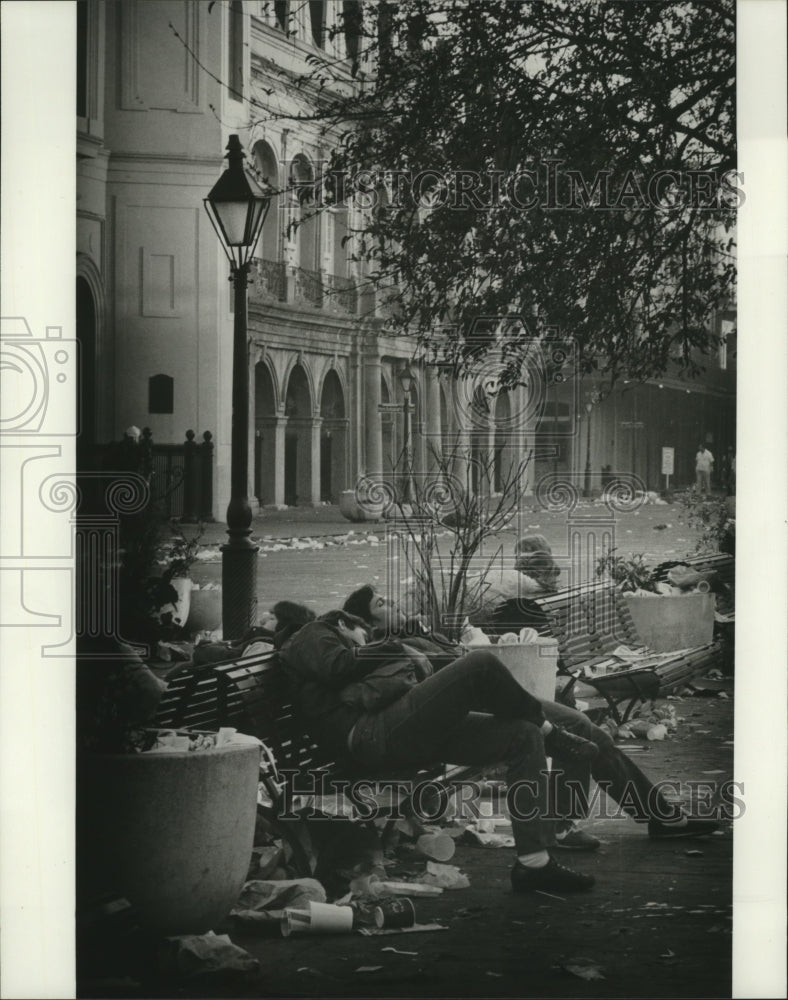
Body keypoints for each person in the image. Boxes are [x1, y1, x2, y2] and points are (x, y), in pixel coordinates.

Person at [341, 585, 720, 854]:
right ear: (368, 623)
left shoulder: (414, 632)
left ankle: (649, 816)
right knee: (572, 728)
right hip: (465, 712)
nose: (391, 601)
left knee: (582, 727)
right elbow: (424, 689)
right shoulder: (386, 648)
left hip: (488, 698)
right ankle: (572, 824)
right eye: (381, 603)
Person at [279, 608, 603, 893]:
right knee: (480, 664)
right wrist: (394, 646)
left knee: (523, 734)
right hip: (369, 735)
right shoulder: (314, 632)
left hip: (393, 732)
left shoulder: (333, 644)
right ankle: (553, 733)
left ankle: (534, 865)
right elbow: (337, 666)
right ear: (343, 623)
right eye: (362, 636)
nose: (366, 642)